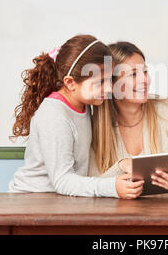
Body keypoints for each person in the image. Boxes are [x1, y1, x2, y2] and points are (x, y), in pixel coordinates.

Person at [8, 34, 144, 199]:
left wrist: (120, 166)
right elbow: (62, 180)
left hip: (61, 198)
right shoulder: (54, 116)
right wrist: (112, 187)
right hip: (33, 199)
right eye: (100, 82)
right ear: (70, 83)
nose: (109, 89)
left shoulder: (84, 104)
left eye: (110, 80)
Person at [88, 41, 168, 197]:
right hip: (118, 217)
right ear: (112, 83)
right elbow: (91, 184)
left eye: (144, 72)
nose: (145, 80)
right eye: (133, 74)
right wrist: (122, 166)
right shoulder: (95, 124)